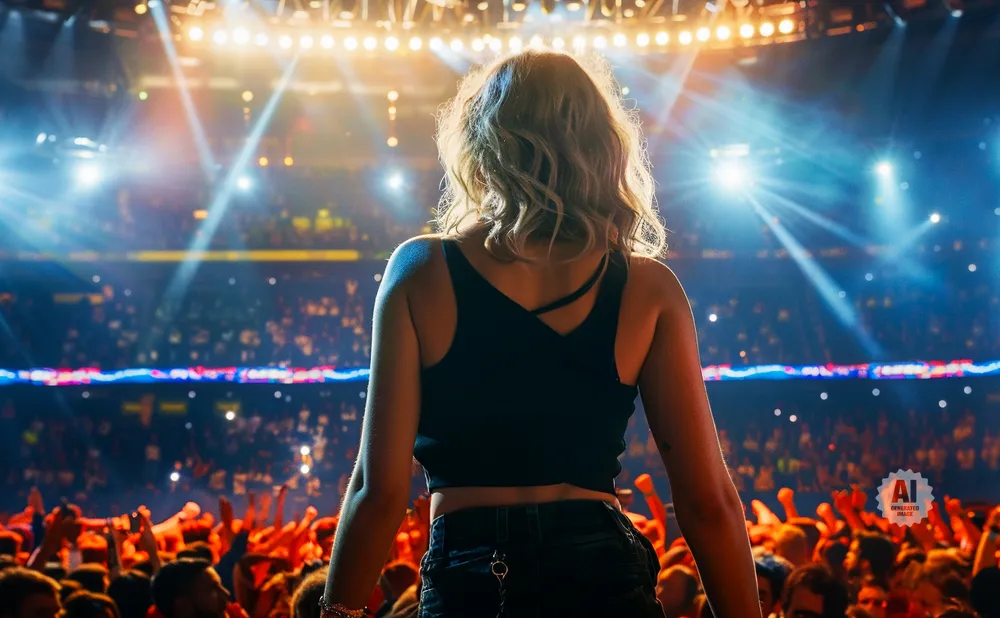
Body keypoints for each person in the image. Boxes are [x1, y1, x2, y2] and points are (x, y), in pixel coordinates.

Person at [321, 49, 758, 618]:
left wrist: (337, 612)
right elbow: (708, 501)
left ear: (482, 143)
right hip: (604, 576)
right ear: (602, 144)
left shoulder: (420, 269)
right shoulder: (648, 286)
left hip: (469, 575)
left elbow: (377, 493)